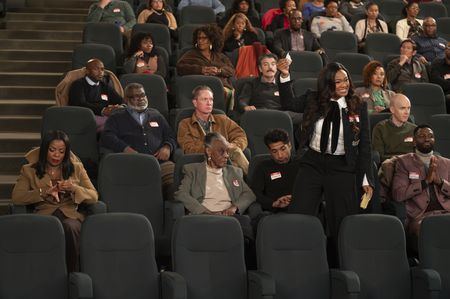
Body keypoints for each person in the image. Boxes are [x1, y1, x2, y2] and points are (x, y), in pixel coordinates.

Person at [279, 61, 374, 265]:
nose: (343, 84)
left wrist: (366, 178)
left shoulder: (357, 105)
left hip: (342, 166)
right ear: (327, 83)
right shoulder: (313, 99)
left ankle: (342, 266)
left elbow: (364, 145)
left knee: (342, 222)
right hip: (313, 162)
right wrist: (285, 75)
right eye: (337, 81)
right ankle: (296, 261)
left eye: (345, 79)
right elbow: (287, 103)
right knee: (299, 214)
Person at [12, 130, 98, 272]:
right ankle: (42, 273)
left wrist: (74, 189)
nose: (56, 155)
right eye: (52, 150)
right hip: (45, 214)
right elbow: (17, 197)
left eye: (61, 151)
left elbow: (94, 195)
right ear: (45, 149)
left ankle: (72, 273)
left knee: (70, 226)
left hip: (70, 214)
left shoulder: (77, 168)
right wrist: (43, 192)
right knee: (49, 226)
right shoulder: (29, 170)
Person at [100, 83, 176, 198]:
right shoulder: (117, 117)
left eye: (143, 95)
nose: (141, 99)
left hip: (160, 163)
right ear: (126, 99)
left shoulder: (156, 115)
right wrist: (125, 148)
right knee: (140, 191)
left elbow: (170, 135)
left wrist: (167, 147)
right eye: (136, 96)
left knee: (175, 185)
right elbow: (107, 136)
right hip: (132, 162)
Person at [175, 132, 255, 215]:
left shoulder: (234, 172)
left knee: (244, 222)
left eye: (227, 151)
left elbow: (249, 194)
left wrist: (234, 208)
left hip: (229, 218)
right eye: (221, 151)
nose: (226, 155)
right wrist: (205, 212)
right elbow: (181, 194)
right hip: (203, 217)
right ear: (209, 151)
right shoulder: (193, 170)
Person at [392, 124, 450, 237]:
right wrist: (425, 182)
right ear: (414, 141)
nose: (427, 138)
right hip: (421, 216)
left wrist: (440, 182)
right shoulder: (404, 163)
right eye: (422, 136)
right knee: (429, 231)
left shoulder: (446, 163)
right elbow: (398, 194)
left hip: (447, 212)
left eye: (430, 136)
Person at [177, 85, 249, 175]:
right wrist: (215, 149)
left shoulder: (223, 119)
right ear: (195, 103)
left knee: (235, 155)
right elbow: (188, 148)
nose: (209, 103)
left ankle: (250, 182)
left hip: (226, 159)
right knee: (235, 162)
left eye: (211, 99)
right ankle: (252, 181)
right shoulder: (185, 124)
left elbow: (240, 135)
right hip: (202, 161)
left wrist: (231, 145)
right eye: (204, 99)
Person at [176, 24, 235, 111]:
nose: (200, 41)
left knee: (227, 92)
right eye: (199, 38)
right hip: (200, 86)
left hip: (221, 87)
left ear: (211, 40)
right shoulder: (190, 54)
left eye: (204, 38)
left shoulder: (220, 56)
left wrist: (219, 71)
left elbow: (231, 70)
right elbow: (180, 67)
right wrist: (201, 70)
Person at [237, 53, 303, 125]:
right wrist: (245, 107)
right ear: (260, 68)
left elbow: (291, 103)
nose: (270, 67)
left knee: (307, 117)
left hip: (281, 115)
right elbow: (242, 100)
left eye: (273, 64)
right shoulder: (251, 83)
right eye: (266, 64)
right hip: (260, 114)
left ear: (276, 67)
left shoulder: (283, 83)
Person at [250, 129, 300, 213]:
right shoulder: (263, 167)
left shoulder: (301, 164)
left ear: (290, 145)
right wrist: (273, 203)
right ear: (270, 151)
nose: (279, 155)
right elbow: (255, 193)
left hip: (300, 208)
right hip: (273, 211)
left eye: (283, 149)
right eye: (274, 151)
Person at [68, 58, 123, 131]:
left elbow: (119, 100)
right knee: (113, 124)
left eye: (102, 69)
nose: (100, 72)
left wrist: (121, 107)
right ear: (87, 71)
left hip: (105, 116)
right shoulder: (78, 84)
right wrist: (103, 110)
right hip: (86, 117)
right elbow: (81, 104)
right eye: (96, 69)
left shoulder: (104, 85)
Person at [372, 93, 416, 163]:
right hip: (390, 165)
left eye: (408, 108)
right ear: (392, 109)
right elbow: (379, 156)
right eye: (402, 108)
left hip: (411, 166)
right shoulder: (380, 128)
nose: (407, 112)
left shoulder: (414, 129)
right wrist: (401, 159)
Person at [430, 41, 450, 112]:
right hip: (443, 94)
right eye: (449, 47)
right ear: (445, 50)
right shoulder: (437, 63)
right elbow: (436, 80)